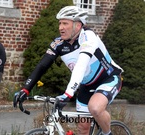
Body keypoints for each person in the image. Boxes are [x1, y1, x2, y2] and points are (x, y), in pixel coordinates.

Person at [13, 6, 123, 135]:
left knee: (95, 108)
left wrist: (68, 94)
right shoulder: (59, 43)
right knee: (82, 128)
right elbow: (42, 66)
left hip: (109, 79)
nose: (60, 27)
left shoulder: (88, 37)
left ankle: (107, 133)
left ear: (78, 25)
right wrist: (25, 89)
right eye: (60, 23)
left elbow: (81, 65)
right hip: (86, 85)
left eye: (65, 23)